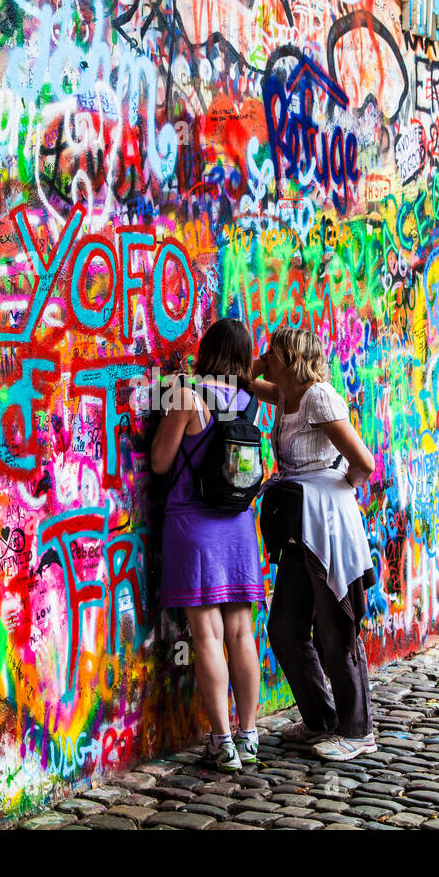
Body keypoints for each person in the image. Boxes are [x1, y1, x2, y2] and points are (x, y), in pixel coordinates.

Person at [246, 326, 378, 761]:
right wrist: (258, 364)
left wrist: (337, 493)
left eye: (272, 351)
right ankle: (323, 721)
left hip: (326, 520)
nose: (265, 355)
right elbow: (244, 379)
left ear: (290, 358)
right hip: (298, 522)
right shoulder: (284, 395)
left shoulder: (319, 396)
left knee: (334, 627)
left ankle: (357, 731)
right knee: (285, 627)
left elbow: (363, 464)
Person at [150, 318, 265, 771]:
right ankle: (249, 734)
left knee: (207, 637)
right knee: (241, 635)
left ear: (207, 350)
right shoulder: (251, 401)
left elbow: (160, 462)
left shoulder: (187, 394)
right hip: (238, 527)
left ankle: (222, 742)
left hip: (192, 527)